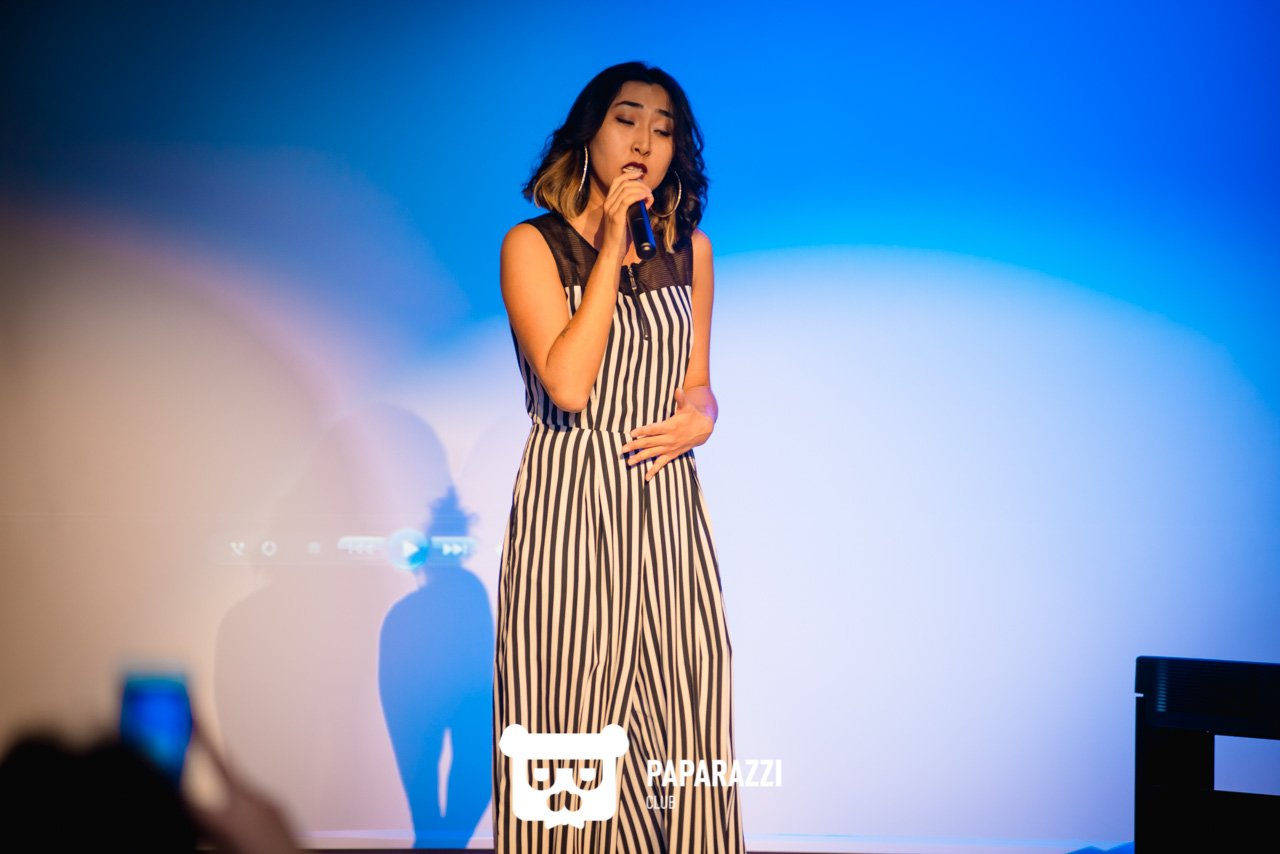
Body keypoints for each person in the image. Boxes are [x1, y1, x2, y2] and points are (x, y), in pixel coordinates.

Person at [493, 61, 744, 852]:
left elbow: (697, 383)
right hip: (572, 504)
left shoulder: (691, 252)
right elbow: (568, 385)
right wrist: (607, 247)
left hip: (664, 507)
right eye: (626, 120)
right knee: (569, 711)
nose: (644, 142)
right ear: (588, 134)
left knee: (686, 707)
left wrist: (703, 417)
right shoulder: (532, 245)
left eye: (663, 130)